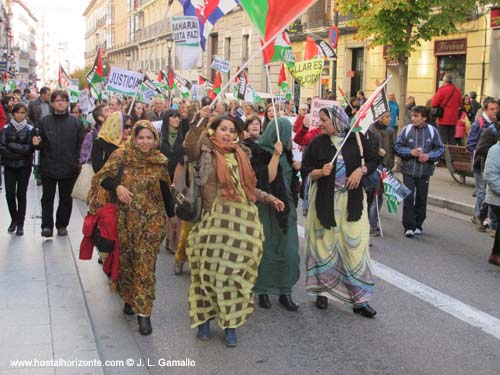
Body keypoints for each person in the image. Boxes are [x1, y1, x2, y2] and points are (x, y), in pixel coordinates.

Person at [183, 114, 284, 347]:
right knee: (206, 273)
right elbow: (189, 146)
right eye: (223, 129)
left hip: (244, 225)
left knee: (236, 275)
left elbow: (250, 189)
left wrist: (269, 198)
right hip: (213, 221)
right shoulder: (205, 151)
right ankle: (205, 320)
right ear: (214, 131)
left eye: (232, 130)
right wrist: (199, 123)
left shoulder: (243, 154)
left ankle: (230, 324)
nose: (228, 134)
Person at [87, 120, 173, 335]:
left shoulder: (159, 161)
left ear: (155, 139)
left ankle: (144, 314)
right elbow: (102, 177)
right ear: (133, 138)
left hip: (153, 219)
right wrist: (117, 186)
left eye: (149, 137)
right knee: (128, 260)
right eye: (141, 137)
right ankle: (128, 297)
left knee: (145, 263)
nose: (145, 142)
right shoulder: (121, 156)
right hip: (126, 219)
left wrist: (171, 216)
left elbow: (165, 190)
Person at [301, 106, 379, 317]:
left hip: (352, 203)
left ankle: (360, 300)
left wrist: (360, 170)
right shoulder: (318, 142)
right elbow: (305, 170)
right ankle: (323, 291)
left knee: (356, 249)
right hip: (325, 203)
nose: (321, 123)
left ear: (337, 120)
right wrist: (319, 172)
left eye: (325, 120)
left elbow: (374, 160)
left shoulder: (357, 139)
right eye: (320, 119)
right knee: (324, 247)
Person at [251, 117, 301, 311]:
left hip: (287, 209)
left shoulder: (287, 154)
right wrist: (275, 156)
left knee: (288, 251)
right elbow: (266, 178)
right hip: (267, 209)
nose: (289, 138)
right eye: (285, 133)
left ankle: (285, 291)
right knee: (266, 249)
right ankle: (262, 291)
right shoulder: (259, 152)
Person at [32, 90, 86, 237]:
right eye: (57, 100)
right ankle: (46, 226)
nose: (60, 102)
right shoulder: (44, 121)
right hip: (48, 165)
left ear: (67, 102)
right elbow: (38, 143)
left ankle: (62, 224)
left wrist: (77, 162)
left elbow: (81, 144)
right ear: (52, 103)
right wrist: (37, 143)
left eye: (63, 100)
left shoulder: (76, 123)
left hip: (69, 167)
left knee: (66, 198)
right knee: (47, 197)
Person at [395, 106, 444, 237]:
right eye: (412, 116)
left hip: (425, 172)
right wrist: (409, 152)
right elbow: (398, 147)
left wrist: (429, 156)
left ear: (424, 118)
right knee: (408, 198)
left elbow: (440, 149)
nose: (413, 118)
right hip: (408, 171)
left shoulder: (432, 131)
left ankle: (418, 224)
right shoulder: (407, 129)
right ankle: (408, 226)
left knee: (422, 199)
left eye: (416, 116)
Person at [0, 103, 36, 235]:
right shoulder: (6, 129)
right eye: (18, 112)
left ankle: (20, 223)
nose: (20, 115)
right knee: (9, 194)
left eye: (22, 113)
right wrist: (17, 153)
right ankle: (13, 219)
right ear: (13, 113)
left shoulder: (30, 129)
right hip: (9, 166)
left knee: (21, 194)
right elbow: (2, 147)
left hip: (24, 167)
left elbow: (29, 149)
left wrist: (13, 147)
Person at [467, 98, 498, 232]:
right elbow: (472, 145)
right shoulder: (480, 124)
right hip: (480, 164)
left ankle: (485, 218)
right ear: (485, 110)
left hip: (491, 165)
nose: (495, 112)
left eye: (496, 109)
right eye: (492, 109)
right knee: (482, 192)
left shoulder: (495, 125)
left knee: (488, 193)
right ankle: (480, 218)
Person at [159, 109, 185, 255]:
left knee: (176, 208)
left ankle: (173, 240)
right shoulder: (160, 137)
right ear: (167, 119)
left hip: (178, 177)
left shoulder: (183, 138)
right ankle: (168, 238)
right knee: (166, 208)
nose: (176, 120)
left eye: (178, 117)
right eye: (173, 117)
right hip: (162, 177)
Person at [367, 112, 394, 236]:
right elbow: (366, 146)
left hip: (386, 167)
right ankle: (371, 225)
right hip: (374, 167)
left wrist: (390, 163)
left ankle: (373, 223)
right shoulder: (371, 129)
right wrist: (377, 151)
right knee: (373, 196)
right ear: (381, 117)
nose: (390, 119)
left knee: (379, 196)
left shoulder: (390, 131)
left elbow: (392, 147)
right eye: (387, 116)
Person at [431, 74, 463, 145]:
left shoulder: (442, 90)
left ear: (444, 81)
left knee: (442, 139)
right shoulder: (457, 91)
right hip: (454, 119)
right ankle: (451, 154)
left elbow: (434, 103)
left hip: (443, 118)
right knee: (452, 139)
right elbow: (460, 104)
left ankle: (443, 154)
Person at [483, 131, 500, 266]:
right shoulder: (496, 150)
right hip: (497, 197)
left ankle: (495, 254)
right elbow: (490, 175)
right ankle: (495, 255)